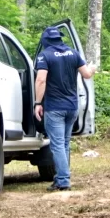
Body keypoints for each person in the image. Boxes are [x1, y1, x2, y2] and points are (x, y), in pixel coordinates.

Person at [34, 27, 95, 192]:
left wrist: (37, 103)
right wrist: (93, 68)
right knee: (65, 144)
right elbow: (87, 74)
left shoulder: (44, 55)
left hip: (54, 107)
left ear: (45, 41)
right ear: (60, 38)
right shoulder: (73, 53)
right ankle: (62, 177)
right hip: (72, 107)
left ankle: (63, 180)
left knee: (57, 145)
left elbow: (40, 80)